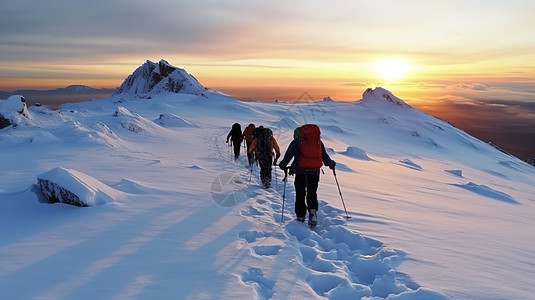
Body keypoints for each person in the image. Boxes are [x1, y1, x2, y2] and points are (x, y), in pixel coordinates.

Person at [278, 124, 335, 227]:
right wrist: (331, 164)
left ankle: (300, 216)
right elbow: (325, 157)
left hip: (301, 172)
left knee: (300, 193)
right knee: (312, 192)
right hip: (314, 172)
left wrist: (282, 165)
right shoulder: (318, 142)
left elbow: (288, 156)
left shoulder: (296, 142)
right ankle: (313, 213)